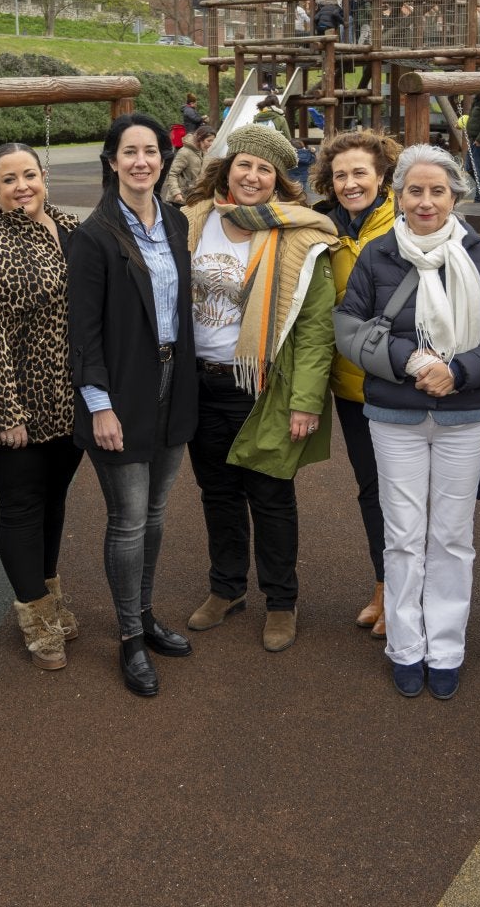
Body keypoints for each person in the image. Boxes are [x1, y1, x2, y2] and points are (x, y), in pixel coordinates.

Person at [336, 145, 480, 700]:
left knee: (450, 536)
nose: (426, 201)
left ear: (454, 196)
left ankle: (445, 646)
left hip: (465, 415)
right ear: (398, 194)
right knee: (402, 536)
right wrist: (411, 361)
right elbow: (349, 330)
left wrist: (460, 371)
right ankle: (405, 644)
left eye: (437, 191)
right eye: (415, 191)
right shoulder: (377, 256)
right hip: (394, 414)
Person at [181, 123, 337, 653]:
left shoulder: (302, 237)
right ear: (227, 169)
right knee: (217, 493)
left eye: (264, 169)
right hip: (200, 382)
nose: (252, 176)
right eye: (244, 164)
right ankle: (225, 589)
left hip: (264, 385)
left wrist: (306, 400)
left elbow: (317, 329)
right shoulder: (194, 221)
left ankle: (280, 602)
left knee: (270, 496)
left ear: (278, 181)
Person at [68, 113, 199, 696]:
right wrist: (100, 405)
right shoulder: (94, 235)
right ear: (112, 161)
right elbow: (83, 330)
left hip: (173, 383)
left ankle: (145, 614)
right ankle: (129, 637)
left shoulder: (173, 220)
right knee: (127, 519)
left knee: (155, 515)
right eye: (130, 152)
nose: (142, 161)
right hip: (119, 391)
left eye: (151, 152)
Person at [0, 143, 84, 672]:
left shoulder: (70, 228)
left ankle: (48, 596)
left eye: (29, 174)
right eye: (9, 179)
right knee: (23, 505)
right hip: (14, 407)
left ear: (44, 177)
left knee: (54, 502)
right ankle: (37, 618)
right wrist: (5, 413)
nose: (21, 185)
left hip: (67, 402)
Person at [312, 129, 402, 637]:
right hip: (352, 387)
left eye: (360, 173)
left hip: (399, 381)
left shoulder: (404, 223)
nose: (350, 183)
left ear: (382, 175)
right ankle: (385, 584)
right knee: (372, 489)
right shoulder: (324, 227)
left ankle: (409, 589)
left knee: (406, 492)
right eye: (341, 175)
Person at [164, 125, 216, 205]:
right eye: (209, 141)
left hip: (192, 197)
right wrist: (176, 193)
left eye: (212, 141)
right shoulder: (185, 152)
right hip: (180, 199)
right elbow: (172, 174)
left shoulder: (203, 152)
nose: (211, 144)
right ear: (200, 138)